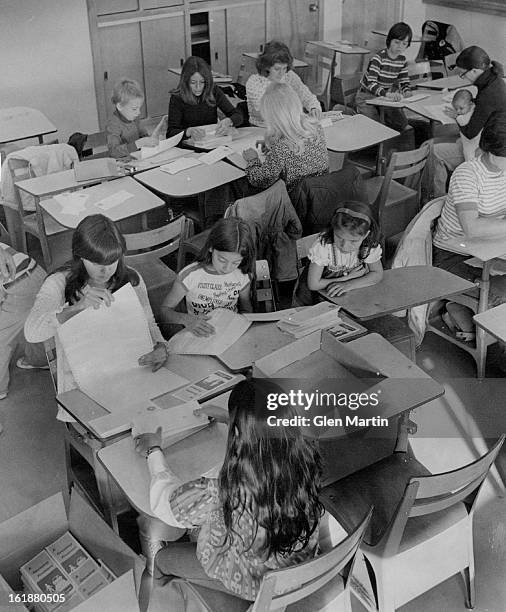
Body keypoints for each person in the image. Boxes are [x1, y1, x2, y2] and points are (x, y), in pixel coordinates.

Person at [134, 378, 323, 604]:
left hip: (253, 580)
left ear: (238, 433)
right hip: (297, 564)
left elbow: (165, 503)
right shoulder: (305, 461)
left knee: (161, 560)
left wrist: (153, 450)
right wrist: (232, 419)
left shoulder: (219, 490)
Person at [24, 215, 168, 417]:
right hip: (83, 382)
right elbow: (31, 332)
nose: (104, 270)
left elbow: (149, 323)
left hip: (132, 373)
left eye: (112, 261)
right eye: (95, 261)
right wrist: (76, 308)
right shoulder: (58, 283)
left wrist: (161, 346)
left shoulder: (132, 278)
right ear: (79, 256)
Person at [433, 111, 506, 313]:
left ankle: (461, 317)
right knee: (502, 299)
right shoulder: (467, 174)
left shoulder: (503, 169)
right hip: (454, 256)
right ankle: (460, 315)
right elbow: (472, 228)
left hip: (489, 250)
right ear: (493, 152)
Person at [161, 218, 254, 337]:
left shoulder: (242, 275)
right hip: (198, 333)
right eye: (222, 260)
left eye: (235, 262)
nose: (227, 268)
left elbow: (246, 309)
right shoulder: (190, 276)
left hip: (229, 331)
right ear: (211, 247)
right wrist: (186, 320)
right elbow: (164, 311)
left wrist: (241, 322)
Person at [433, 46, 506, 196]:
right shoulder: (496, 81)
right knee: (443, 142)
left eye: (463, 74)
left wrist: (456, 116)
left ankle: (436, 201)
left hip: (489, 151)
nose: (463, 77)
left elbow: (470, 132)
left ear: (474, 71)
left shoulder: (488, 94)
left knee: (433, 151)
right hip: (496, 143)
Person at [243, 82, 329, 194]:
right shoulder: (315, 127)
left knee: (245, 187)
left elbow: (260, 180)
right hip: (322, 192)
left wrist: (253, 160)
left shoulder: (282, 147)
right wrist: (272, 145)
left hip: (298, 201)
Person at [293, 201, 383, 306]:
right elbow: (313, 284)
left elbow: (377, 274)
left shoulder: (368, 245)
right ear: (333, 230)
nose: (345, 246)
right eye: (339, 238)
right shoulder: (323, 246)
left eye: (353, 241)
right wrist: (346, 279)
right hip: (310, 302)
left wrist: (349, 285)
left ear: (365, 235)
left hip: (343, 298)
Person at [0, 243, 47, 405]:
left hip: (14, 286)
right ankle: (40, 359)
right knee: (36, 322)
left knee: (2, 336)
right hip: (37, 274)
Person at [246, 40, 321, 128]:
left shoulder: (289, 76)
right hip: (261, 128)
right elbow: (268, 112)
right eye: (277, 69)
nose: (281, 73)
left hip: (288, 127)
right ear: (266, 66)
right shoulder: (254, 82)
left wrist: (314, 108)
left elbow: (307, 96)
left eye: (284, 68)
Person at [166, 56, 243, 140]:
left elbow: (238, 115)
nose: (198, 87)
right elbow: (170, 133)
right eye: (193, 82)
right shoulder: (177, 98)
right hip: (187, 146)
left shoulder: (213, 91)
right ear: (185, 81)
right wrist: (188, 132)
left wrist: (228, 121)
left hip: (210, 142)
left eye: (202, 82)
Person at [355, 22, 413, 131]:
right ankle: (354, 113)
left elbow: (404, 81)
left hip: (384, 97)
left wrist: (407, 91)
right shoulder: (378, 58)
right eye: (397, 42)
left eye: (404, 44)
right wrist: (387, 94)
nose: (400, 46)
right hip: (366, 96)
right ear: (389, 40)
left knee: (402, 123)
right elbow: (371, 83)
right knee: (375, 127)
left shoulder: (402, 60)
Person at [106, 78, 167, 158]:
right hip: (122, 165)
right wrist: (138, 144)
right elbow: (113, 152)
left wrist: (151, 139)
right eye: (134, 108)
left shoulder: (134, 117)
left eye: (139, 108)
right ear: (120, 106)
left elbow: (143, 135)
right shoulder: (113, 124)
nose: (138, 112)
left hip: (138, 159)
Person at [451, 89, 479, 161]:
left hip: (472, 147)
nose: (458, 111)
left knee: (469, 158)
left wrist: (456, 116)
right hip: (473, 143)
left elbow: (463, 121)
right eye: (456, 108)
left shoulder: (469, 115)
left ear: (471, 104)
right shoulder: (474, 108)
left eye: (461, 108)